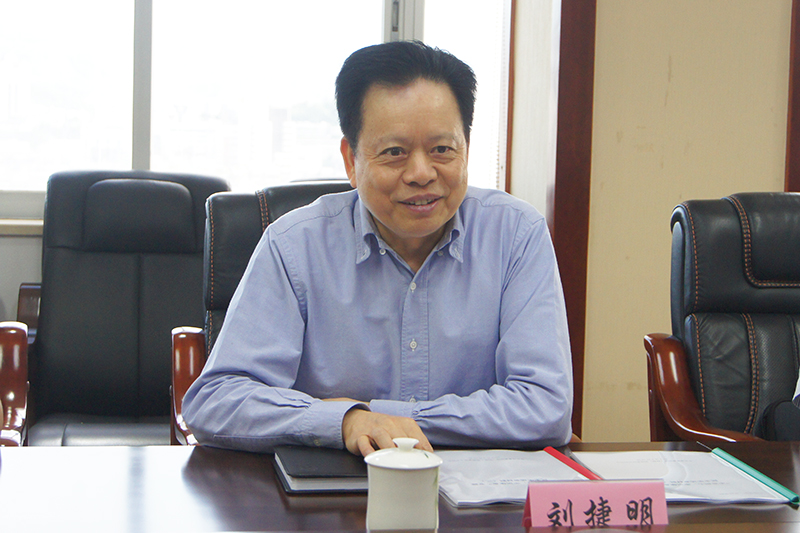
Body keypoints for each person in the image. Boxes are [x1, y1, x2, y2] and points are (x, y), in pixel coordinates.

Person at [182, 40, 573, 456]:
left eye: (442, 149)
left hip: (472, 489)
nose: (421, 173)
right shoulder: (294, 246)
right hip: (334, 486)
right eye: (394, 153)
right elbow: (217, 402)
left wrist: (375, 417)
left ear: (466, 149)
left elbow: (545, 407)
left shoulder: (516, 236)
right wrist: (345, 423)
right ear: (350, 161)